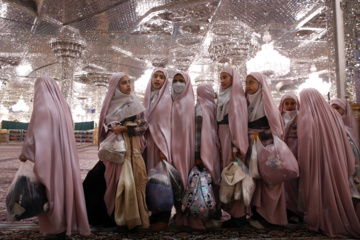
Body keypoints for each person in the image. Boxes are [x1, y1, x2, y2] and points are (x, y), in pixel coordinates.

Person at [19, 76, 91, 237]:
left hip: (50, 158)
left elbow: (34, 135)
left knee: (51, 190)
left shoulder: (43, 107)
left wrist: (25, 153)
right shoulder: (63, 106)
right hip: (66, 157)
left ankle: (55, 226)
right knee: (65, 187)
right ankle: (70, 222)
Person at [298, 88, 360, 238]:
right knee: (335, 191)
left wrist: (304, 165)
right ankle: (335, 219)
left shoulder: (307, 117)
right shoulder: (334, 115)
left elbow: (305, 147)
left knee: (318, 190)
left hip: (316, 163)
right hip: (336, 163)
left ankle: (320, 221)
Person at [97, 72, 149, 229]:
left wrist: (124, 128)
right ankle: (114, 216)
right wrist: (111, 129)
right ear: (116, 87)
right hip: (113, 149)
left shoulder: (135, 103)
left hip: (131, 148)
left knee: (130, 181)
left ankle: (130, 218)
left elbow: (144, 126)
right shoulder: (108, 104)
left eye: (129, 82)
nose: (128, 85)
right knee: (112, 181)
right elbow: (102, 128)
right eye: (124, 83)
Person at [245, 72, 287, 229]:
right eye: (246, 82)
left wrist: (259, 135)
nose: (248, 86)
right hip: (253, 149)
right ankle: (257, 214)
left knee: (271, 183)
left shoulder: (267, 104)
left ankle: (271, 218)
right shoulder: (247, 103)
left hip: (267, 149)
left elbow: (278, 131)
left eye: (251, 82)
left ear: (260, 85)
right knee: (256, 182)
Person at [216, 67, 249, 227]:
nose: (222, 81)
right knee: (227, 174)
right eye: (220, 78)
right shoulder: (223, 96)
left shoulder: (237, 97)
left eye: (225, 77)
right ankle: (231, 213)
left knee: (234, 175)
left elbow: (239, 123)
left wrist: (236, 144)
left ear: (233, 79)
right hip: (223, 137)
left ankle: (239, 215)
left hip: (231, 137)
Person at [141, 68, 172, 231]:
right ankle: (153, 213)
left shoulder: (166, 99)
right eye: (155, 76)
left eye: (161, 77)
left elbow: (165, 126)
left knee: (161, 181)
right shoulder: (147, 98)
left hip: (160, 145)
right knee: (149, 180)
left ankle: (163, 217)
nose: (158, 79)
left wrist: (163, 149)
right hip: (147, 144)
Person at [170, 71, 200, 228]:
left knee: (184, 182)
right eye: (175, 81)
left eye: (182, 81)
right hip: (171, 149)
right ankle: (179, 214)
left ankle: (186, 216)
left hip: (185, 151)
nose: (178, 84)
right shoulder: (170, 101)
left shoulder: (188, 102)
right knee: (174, 182)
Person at [194, 83, 222, 227]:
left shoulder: (201, 107)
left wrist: (197, 154)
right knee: (214, 180)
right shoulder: (213, 106)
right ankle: (215, 212)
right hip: (213, 149)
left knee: (206, 182)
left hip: (206, 150)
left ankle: (207, 214)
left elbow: (198, 134)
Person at [330, 98, 360, 215]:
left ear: (345, 110)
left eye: (338, 108)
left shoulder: (351, 125)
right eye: (332, 109)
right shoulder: (331, 126)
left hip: (353, 160)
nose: (335, 111)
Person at [278, 94, 303, 223]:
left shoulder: (300, 117)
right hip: (282, 151)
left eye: (292, 103)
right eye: (286, 103)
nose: (289, 106)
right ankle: (285, 210)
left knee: (294, 182)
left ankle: (296, 211)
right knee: (283, 182)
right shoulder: (279, 117)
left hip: (295, 150)